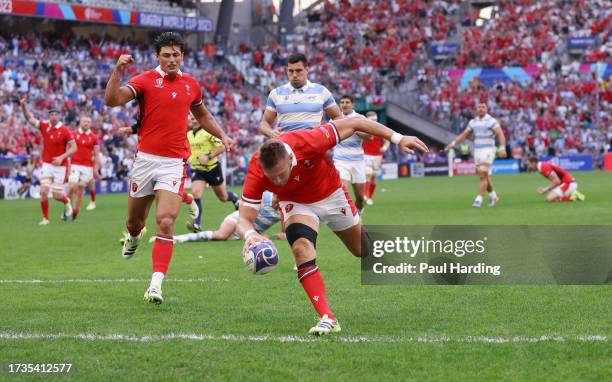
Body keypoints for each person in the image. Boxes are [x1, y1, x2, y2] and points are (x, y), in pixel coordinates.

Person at [238, 118, 428, 336]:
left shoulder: (309, 141)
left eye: (282, 173)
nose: (278, 181)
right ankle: (328, 317)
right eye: (273, 177)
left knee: (362, 251)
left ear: (291, 158)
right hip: (297, 204)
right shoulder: (256, 169)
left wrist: (398, 138)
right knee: (301, 249)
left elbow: (356, 122)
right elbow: (244, 219)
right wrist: (251, 235)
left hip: (332, 195)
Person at [104, 32, 232, 305]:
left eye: (176, 55)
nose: (172, 59)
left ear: (182, 56)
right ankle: (134, 237)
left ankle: (155, 285)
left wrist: (223, 135)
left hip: (174, 163)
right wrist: (117, 70)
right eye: (166, 55)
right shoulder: (145, 80)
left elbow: (203, 115)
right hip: (145, 161)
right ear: (157, 56)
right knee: (134, 222)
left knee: (165, 222)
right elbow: (111, 100)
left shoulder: (191, 85)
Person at [20, 99, 76, 224]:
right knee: (44, 192)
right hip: (47, 164)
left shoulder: (65, 130)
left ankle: (66, 201)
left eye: (56, 114)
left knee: (56, 196)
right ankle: (45, 219)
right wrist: (23, 106)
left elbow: (74, 148)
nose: (53, 116)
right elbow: (29, 118)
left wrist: (62, 157)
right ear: (49, 116)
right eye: (51, 114)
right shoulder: (44, 126)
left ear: (59, 116)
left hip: (60, 166)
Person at [259, 53, 342, 137]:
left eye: (298, 70)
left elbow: (338, 116)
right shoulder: (276, 93)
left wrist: (326, 132)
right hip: (286, 146)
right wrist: (271, 132)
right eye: (291, 71)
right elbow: (265, 122)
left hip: (313, 146)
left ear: (307, 69)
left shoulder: (321, 91)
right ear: (286, 70)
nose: (294, 75)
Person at [445, 103, 506, 207]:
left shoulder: (491, 121)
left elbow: (500, 134)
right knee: (484, 176)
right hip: (477, 151)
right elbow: (464, 135)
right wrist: (453, 144)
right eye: (479, 107)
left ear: (487, 109)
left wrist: (502, 148)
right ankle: (494, 197)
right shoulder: (473, 122)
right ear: (476, 109)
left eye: (483, 107)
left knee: (483, 175)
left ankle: (479, 199)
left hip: (488, 150)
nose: (481, 109)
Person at [186, 113, 239, 233]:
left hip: (212, 168)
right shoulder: (188, 134)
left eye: (195, 118)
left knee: (223, 197)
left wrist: (208, 156)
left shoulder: (208, 132)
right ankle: (197, 225)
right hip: (198, 170)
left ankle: (235, 199)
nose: (193, 121)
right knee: (196, 194)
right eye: (191, 118)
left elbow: (223, 146)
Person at [165, 191, 284, 244]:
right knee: (221, 235)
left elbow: (285, 232)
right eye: (276, 199)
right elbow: (244, 207)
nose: (277, 203)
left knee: (224, 238)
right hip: (240, 220)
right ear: (274, 195)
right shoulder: (265, 196)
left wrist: (275, 236)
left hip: (248, 233)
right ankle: (179, 238)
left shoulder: (284, 210)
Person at [332, 94, 370, 212]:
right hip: (340, 161)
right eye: (342, 102)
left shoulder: (360, 118)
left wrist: (354, 128)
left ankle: (358, 214)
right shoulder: (335, 119)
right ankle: (348, 220)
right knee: (342, 190)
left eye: (347, 102)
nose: (344, 104)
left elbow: (370, 137)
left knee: (360, 198)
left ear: (353, 104)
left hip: (358, 162)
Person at [67, 116, 100, 221]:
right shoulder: (73, 134)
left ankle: (74, 214)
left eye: (88, 122)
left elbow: (97, 155)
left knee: (80, 191)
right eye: (84, 121)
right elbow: (67, 150)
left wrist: (96, 169)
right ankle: (67, 206)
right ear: (80, 122)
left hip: (88, 168)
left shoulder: (94, 137)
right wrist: (67, 163)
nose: (86, 123)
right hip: (75, 165)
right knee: (73, 186)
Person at [362, 111, 389, 206]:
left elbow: (387, 141)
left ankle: (369, 197)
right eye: (372, 120)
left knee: (373, 177)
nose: (374, 122)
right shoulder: (363, 129)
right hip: (366, 155)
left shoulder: (380, 129)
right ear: (367, 120)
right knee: (368, 174)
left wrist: (384, 147)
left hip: (377, 156)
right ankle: (365, 195)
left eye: (375, 120)